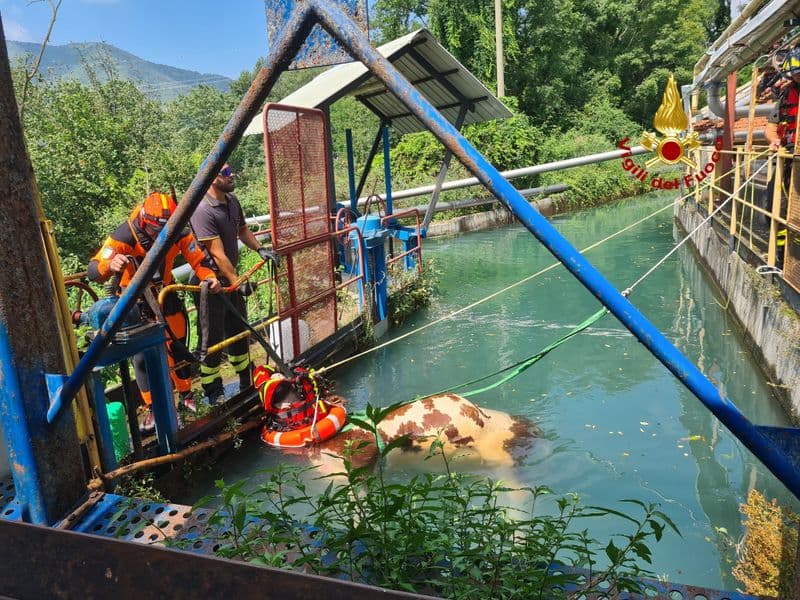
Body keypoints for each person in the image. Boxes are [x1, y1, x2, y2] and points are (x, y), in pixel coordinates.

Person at [88, 191, 221, 432]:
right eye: (154, 231)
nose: (159, 236)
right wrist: (111, 264)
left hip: (164, 294)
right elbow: (93, 269)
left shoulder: (178, 230)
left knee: (178, 345)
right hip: (134, 303)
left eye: (164, 231)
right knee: (141, 358)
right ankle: (152, 408)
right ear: (143, 221)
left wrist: (209, 278)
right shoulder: (124, 236)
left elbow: (198, 258)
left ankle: (186, 394)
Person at [190, 163, 277, 404]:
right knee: (213, 337)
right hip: (209, 282)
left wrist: (261, 249)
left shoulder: (231, 201)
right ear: (211, 178)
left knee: (238, 329)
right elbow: (217, 253)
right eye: (225, 173)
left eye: (231, 171)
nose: (232, 176)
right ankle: (213, 392)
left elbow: (242, 230)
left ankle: (246, 380)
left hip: (230, 278)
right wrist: (238, 283)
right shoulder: (202, 210)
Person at [764, 47, 800, 263]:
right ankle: (781, 256)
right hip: (787, 160)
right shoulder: (786, 95)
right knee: (775, 206)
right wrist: (774, 140)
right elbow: (770, 127)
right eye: (795, 74)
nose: (798, 77)